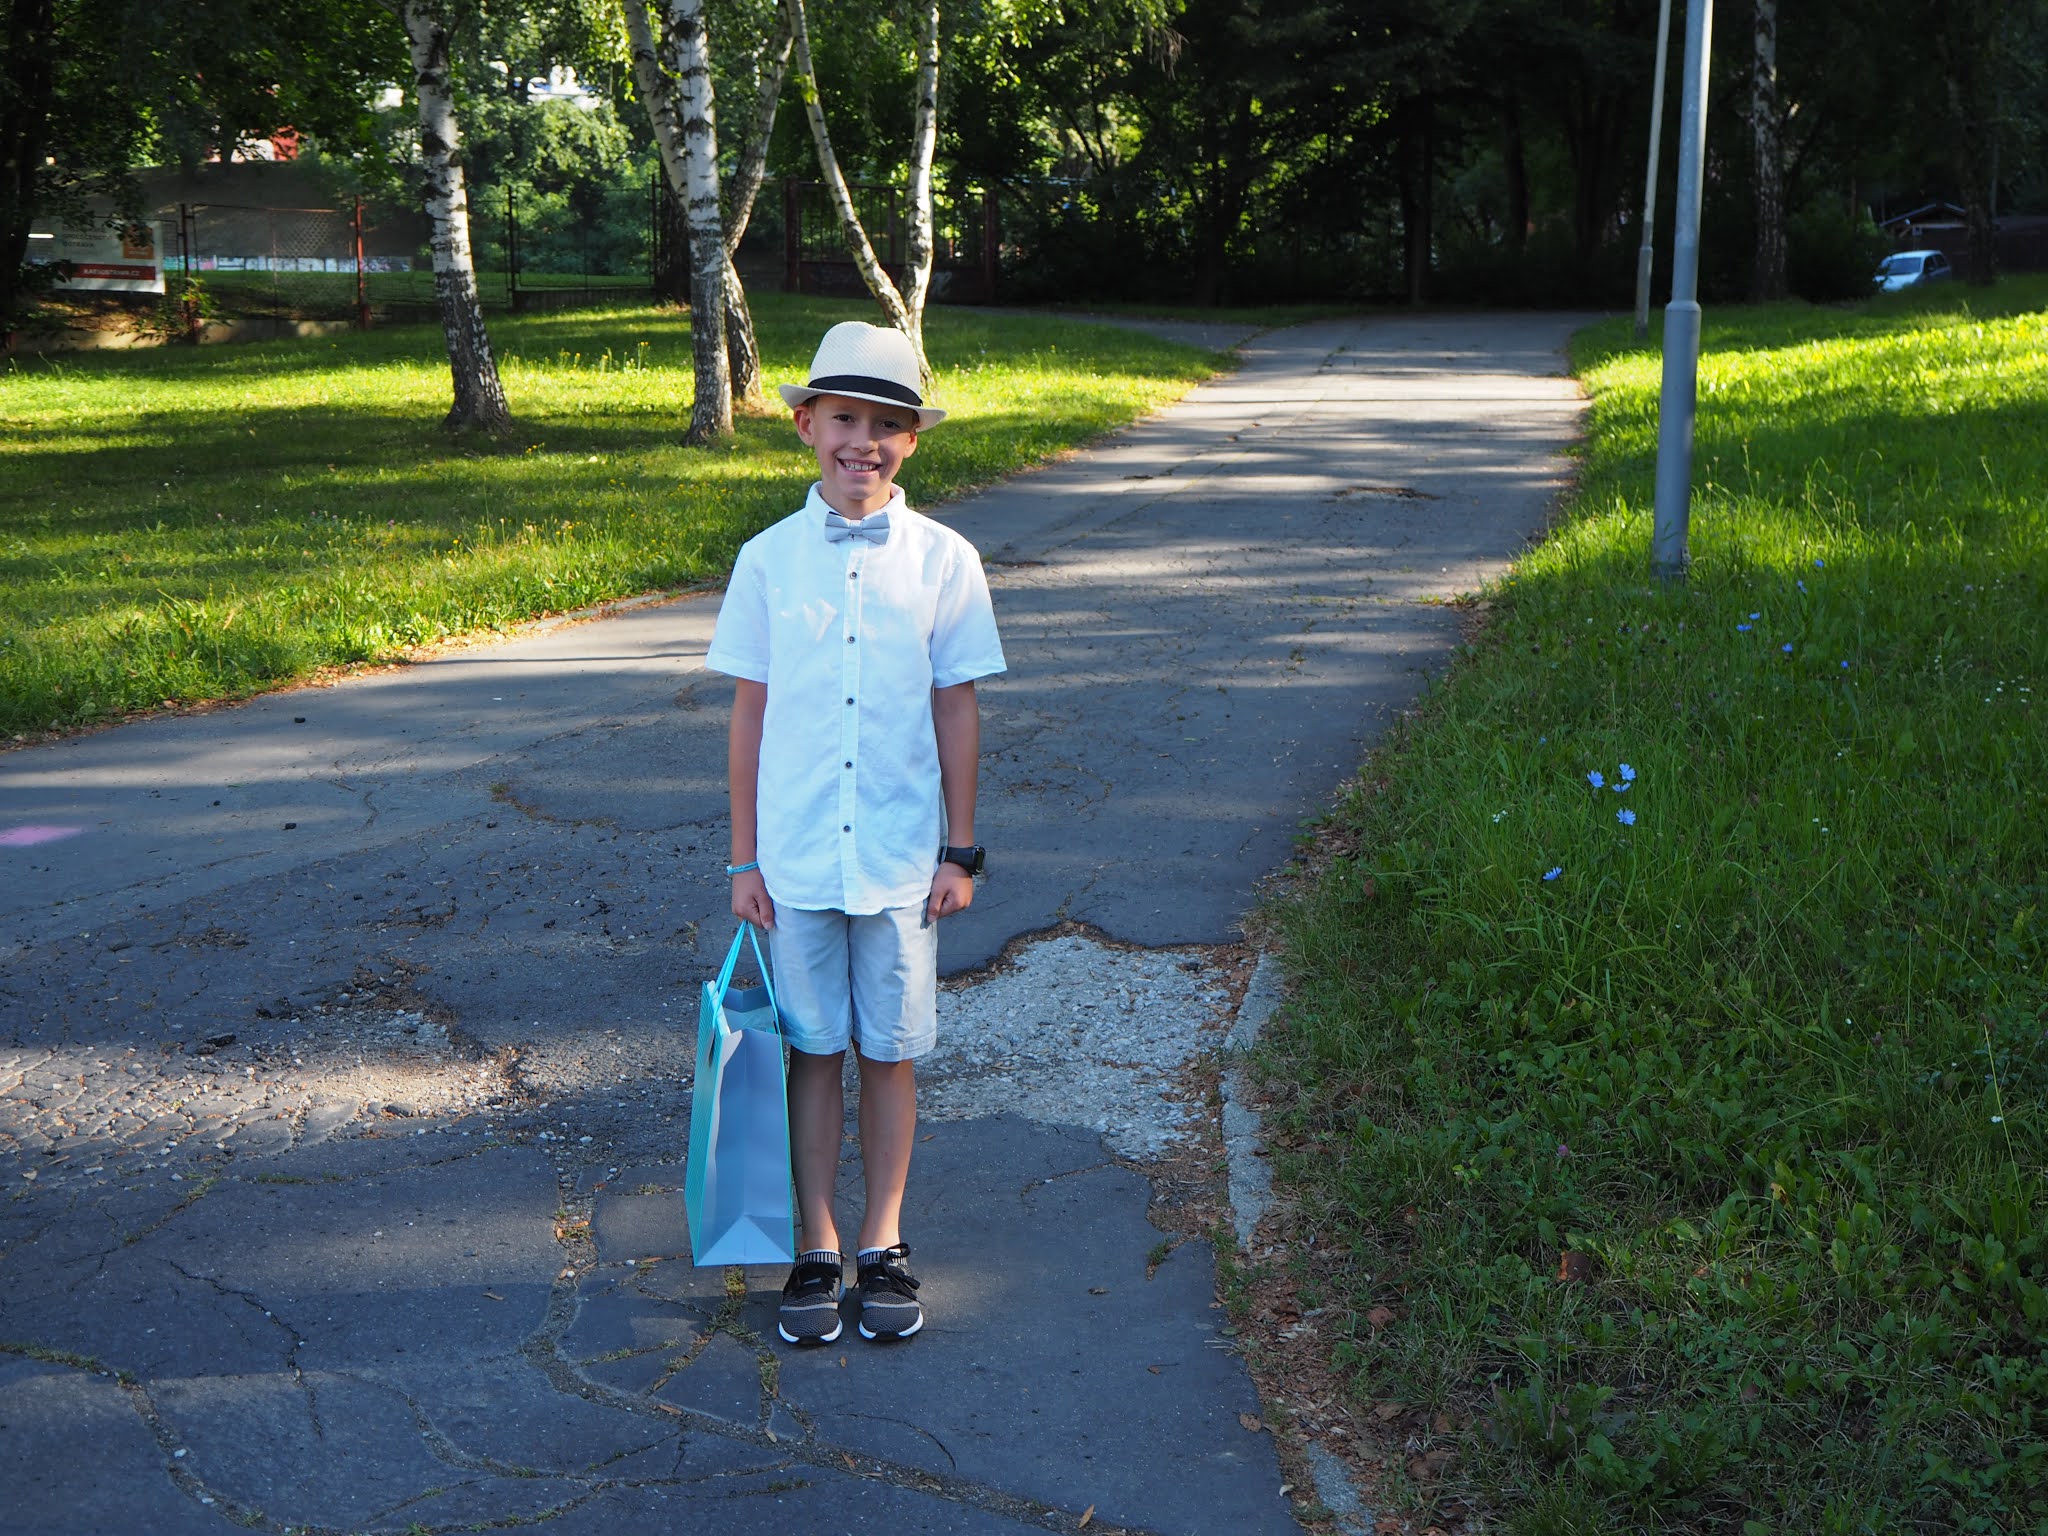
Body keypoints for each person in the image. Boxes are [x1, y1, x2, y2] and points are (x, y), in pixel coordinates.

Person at [704, 321, 1005, 1344]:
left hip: (900, 861)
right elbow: (750, 714)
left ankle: (882, 1241)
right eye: (844, 419)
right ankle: (817, 1245)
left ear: (912, 440)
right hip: (792, 860)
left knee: (889, 1051)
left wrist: (958, 849)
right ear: (804, 426)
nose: (862, 442)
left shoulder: (946, 561)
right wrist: (744, 857)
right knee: (811, 1051)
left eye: (886, 425)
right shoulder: (766, 561)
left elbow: (955, 706)